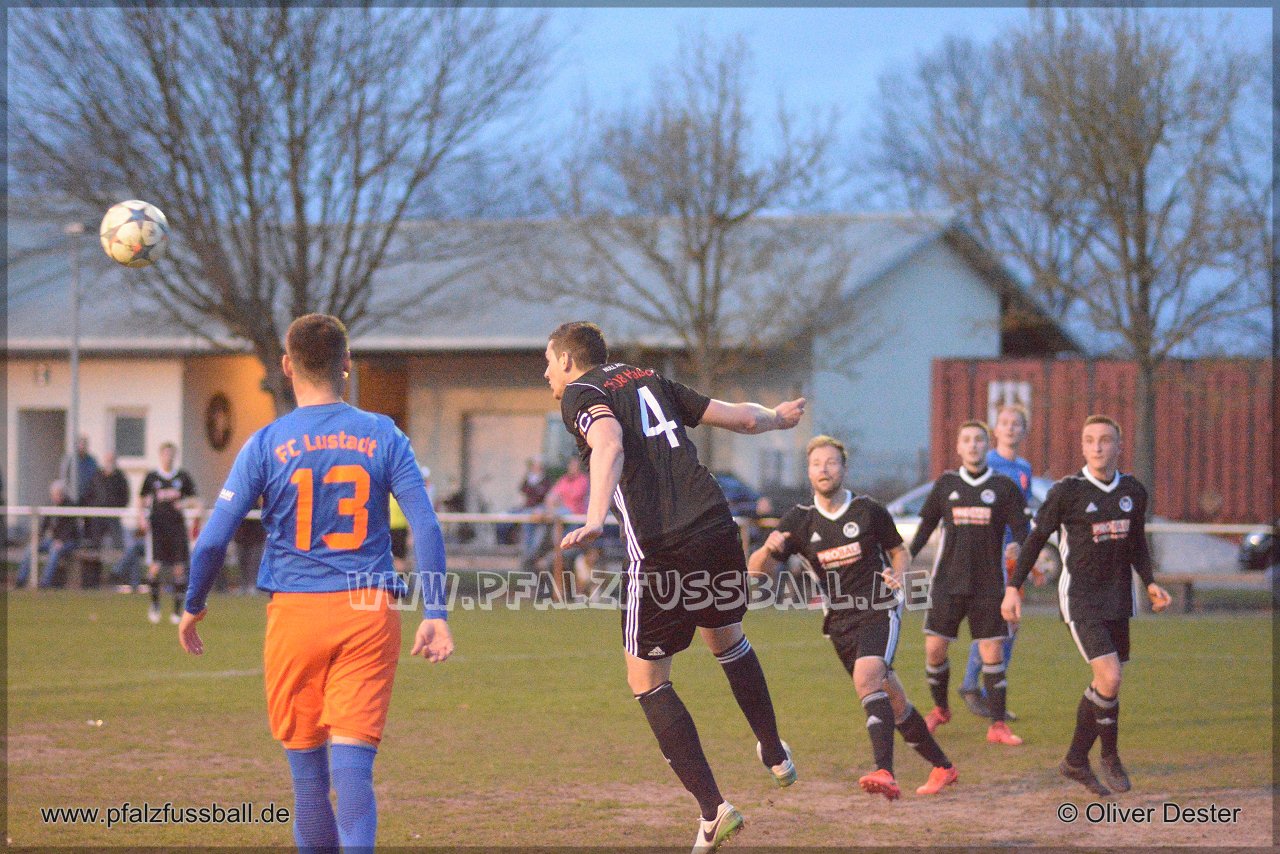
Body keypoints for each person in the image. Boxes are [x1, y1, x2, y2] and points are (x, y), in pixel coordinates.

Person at [178, 313, 452, 852]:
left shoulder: (266, 442)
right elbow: (425, 525)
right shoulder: (383, 434)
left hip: (295, 616)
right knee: (353, 771)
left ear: (286, 366)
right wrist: (436, 612)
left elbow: (211, 542)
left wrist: (193, 603)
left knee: (308, 781)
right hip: (367, 613)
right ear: (346, 364)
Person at [546, 321, 802, 853]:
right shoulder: (648, 378)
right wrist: (778, 418)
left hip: (663, 545)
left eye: (548, 362)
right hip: (716, 526)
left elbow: (608, 443)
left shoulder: (580, 393)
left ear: (568, 360)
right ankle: (774, 750)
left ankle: (713, 810)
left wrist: (594, 516)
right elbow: (739, 418)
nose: (546, 374)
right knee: (726, 639)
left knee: (646, 679)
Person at [749, 436, 959, 802]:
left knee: (867, 677)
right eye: (817, 463)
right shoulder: (798, 520)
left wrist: (898, 573)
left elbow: (899, 551)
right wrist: (768, 549)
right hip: (839, 622)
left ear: (844, 469)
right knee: (891, 699)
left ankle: (885, 772)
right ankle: (943, 767)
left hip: (880, 606)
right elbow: (756, 572)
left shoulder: (868, 510)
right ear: (808, 471)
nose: (824, 469)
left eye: (831, 462)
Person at [1003, 414, 1172, 796]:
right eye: (1089, 440)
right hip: (1080, 598)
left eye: (1105, 440)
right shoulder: (1067, 492)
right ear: (1082, 446)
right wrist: (1013, 587)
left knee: (1106, 683)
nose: (1097, 447)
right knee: (1110, 677)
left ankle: (1075, 761)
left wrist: (1150, 582)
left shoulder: (1133, 491)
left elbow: (1136, 543)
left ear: (1119, 446)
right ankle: (1109, 756)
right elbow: (1035, 540)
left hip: (1119, 597)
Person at [907, 421, 1029, 746]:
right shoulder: (946, 484)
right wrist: (904, 560)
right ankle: (941, 710)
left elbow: (1023, 530)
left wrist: (1019, 547)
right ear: (959, 447)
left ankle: (997, 725)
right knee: (934, 649)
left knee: (992, 651)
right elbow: (924, 528)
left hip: (989, 584)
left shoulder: (1003, 487)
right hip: (947, 582)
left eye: (978, 440)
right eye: (967, 440)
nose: (973, 445)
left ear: (987, 446)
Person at [958, 403, 1041, 719]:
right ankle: (977, 687)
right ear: (995, 430)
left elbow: (1022, 514)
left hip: (1012, 555)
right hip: (987, 554)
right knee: (997, 621)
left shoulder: (1024, 468)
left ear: (1024, 431)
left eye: (1016, 423)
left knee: (1010, 623)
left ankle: (981, 688)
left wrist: (1027, 551)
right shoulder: (986, 462)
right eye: (1004, 422)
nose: (1010, 428)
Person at [140, 442, 199, 625]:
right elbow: (141, 498)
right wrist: (142, 518)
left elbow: (196, 500)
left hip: (177, 528)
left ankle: (176, 611)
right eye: (165, 454)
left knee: (179, 569)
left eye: (171, 454)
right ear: (161, 456)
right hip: (158, 528)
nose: (168, 457)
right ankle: (155, 605)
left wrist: (185, 504)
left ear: (174, 456)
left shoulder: (182, 477)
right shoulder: (152, 477)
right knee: (155, 568)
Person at [16, 480, 79, 588]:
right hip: (53, 540)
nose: (54, 497)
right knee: (31, 548)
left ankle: (44, 583)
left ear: (62, 494)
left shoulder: (70, 506)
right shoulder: (51, 505)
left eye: (57, 494)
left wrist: (61, 540)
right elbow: (44, 525)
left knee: (54, 551)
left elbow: (71, 528)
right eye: (53, 495)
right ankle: (20, 580)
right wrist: (38, 537)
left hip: (68, 541)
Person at [86, 451, 130, 553]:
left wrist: (119, 510)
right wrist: (94, 507)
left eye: (112, 460)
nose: (109, 462)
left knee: (118, 543)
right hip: (98, 514)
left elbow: (125, 495)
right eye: (108, 460)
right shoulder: (97, 475)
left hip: (113, 515)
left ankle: (119, 561)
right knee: (95, 543)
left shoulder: (120, 477)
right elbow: (90, 493)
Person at [59, 434, 100, 504]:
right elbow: (64, 476)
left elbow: (96, 477)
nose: (82, 447)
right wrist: (69, 492)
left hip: (88, 497)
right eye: (81, 444)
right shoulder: (70, 460)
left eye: (84, 445)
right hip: (71, 496)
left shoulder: (92, 461)